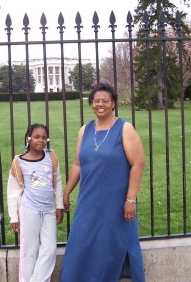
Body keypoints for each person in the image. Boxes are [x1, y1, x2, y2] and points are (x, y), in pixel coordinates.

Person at [60, 81, 146, 282]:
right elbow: (77, 165)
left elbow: (138, 164)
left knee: (109, 247)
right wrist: (66, 192)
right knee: (80, 243)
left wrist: (131, 200)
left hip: (116, 203)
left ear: (113, 103)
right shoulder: (85, 130)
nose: (100, 104)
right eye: (96, 100)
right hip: (88, 201)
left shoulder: (125, 129)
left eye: (105, 101)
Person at [7, 123, 64, 282]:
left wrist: (59, 206)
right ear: (28, 138)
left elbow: (57, 182)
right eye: (37, 137)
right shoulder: (19, 161)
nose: (41, 140)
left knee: (50, 248)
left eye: (44, 137)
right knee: (30, 251)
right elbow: (12, 191)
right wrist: (14, 217)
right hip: (29, 209)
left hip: (48, 210)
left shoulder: (51, 156)